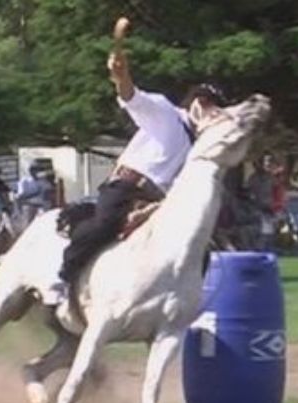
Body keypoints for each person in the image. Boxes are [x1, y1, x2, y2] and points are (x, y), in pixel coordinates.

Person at [51, 36, 228, 303]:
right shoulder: (165, 112)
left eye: (216, 110)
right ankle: (64, 276)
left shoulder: (199, 148)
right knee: (105, 225)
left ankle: (181, 300)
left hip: (158, 201)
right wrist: (121, 76)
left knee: (199, 246)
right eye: (210, 106)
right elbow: (131, 96)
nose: (212, 114)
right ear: (196, 102)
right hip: (126, 187)